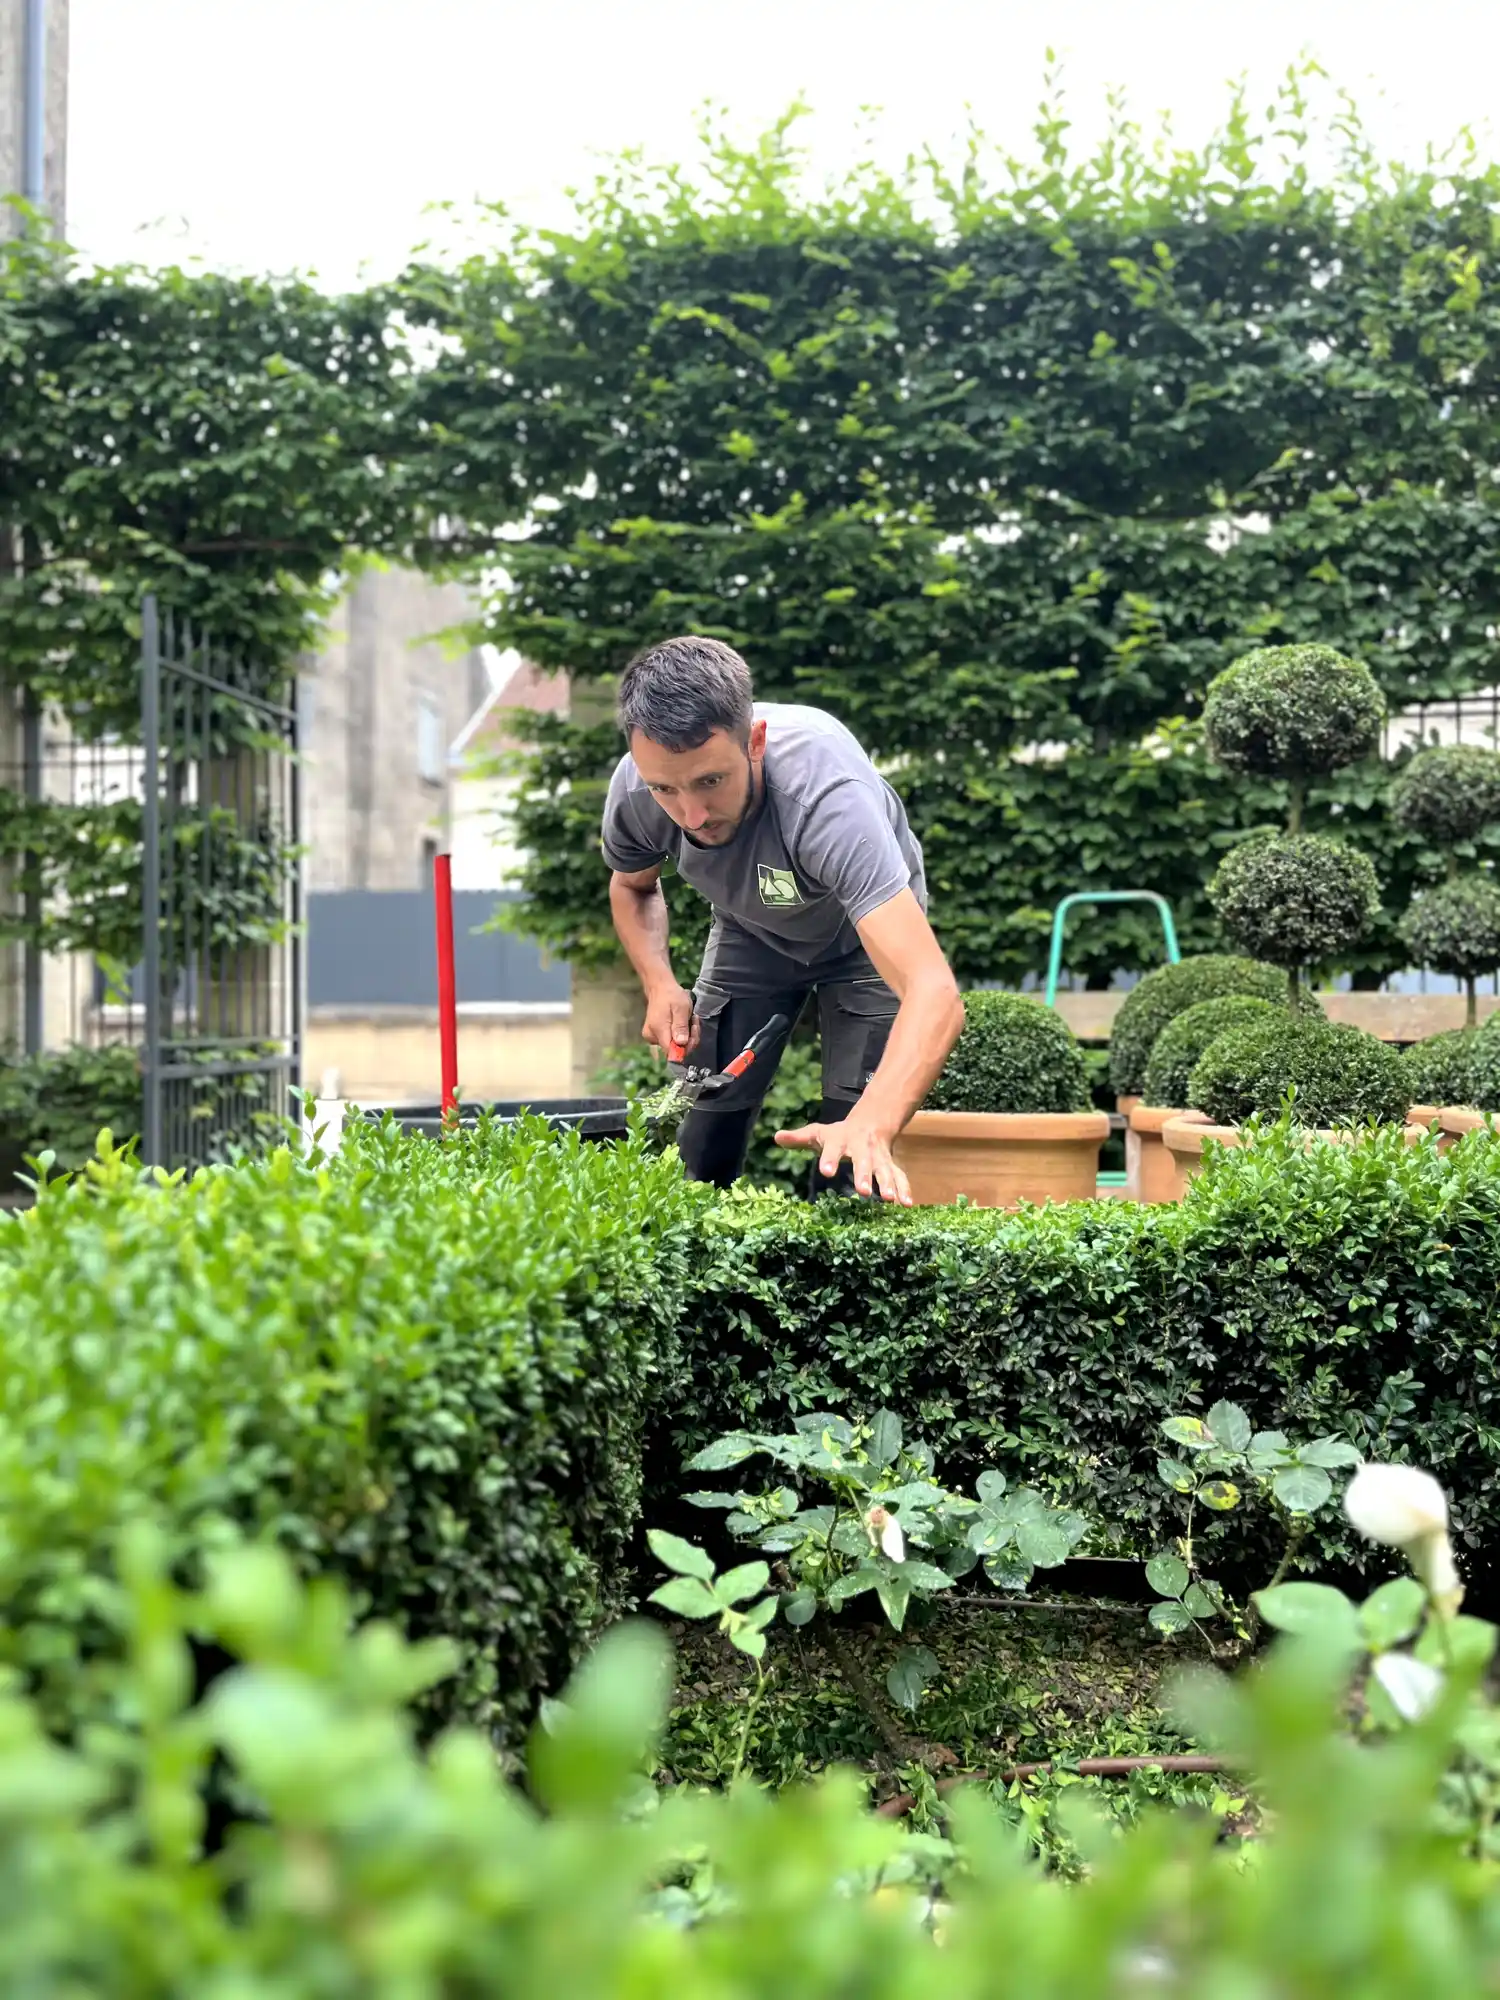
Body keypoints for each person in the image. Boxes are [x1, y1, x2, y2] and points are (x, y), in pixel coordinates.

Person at [601, 634, 964, 1205]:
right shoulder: (634, 790)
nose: (691, 815)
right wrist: (658, 983)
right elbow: (633, 887)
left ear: (755, 743)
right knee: (700, 1127)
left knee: (854, 1162)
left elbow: (934, 992)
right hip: (751, 931)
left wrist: (874, 1120)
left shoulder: (828, 800)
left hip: (862, 936)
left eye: (710, 781)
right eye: (665, 788)